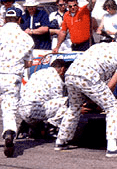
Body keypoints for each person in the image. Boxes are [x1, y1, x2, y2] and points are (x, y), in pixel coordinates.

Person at [54, 31, 117, 158]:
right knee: (113, 107)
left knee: (74, 107)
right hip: (89, 76)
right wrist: (99, 102)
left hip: (71, 73)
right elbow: (111, 85)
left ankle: (61, 141)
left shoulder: (98, 46)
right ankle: (112, 147)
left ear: (113, 40)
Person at [0, 8, 34, 157]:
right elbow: (28, 63)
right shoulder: (26, 38)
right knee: (9, 109)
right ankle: (9, 132)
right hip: (12, 77)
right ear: (20, 20)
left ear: (5, 19)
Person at [18, 59, 70, 136]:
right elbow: (59, 103)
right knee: (68, 102)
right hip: (34, 111)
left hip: (22, 110)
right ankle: (51, 127)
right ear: (62, 69)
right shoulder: (57, 80)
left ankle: (28, 125)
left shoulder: (38, 73)